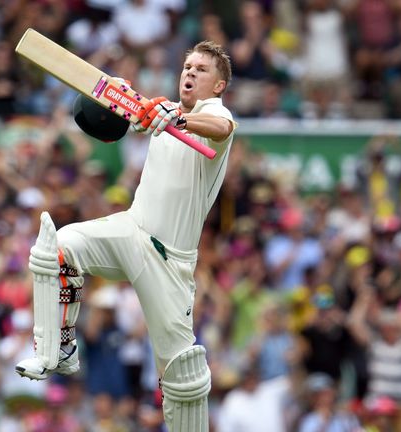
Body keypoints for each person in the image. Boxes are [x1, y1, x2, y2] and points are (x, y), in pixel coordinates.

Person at [15, 40, 236, 431]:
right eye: (188, 67)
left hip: (170, 261)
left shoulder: (213, 114)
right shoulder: (163, 111)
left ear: (218, 85)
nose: (191, 73)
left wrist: (177, 121)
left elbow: (221, 129)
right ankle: (58, 348)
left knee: (182, 378)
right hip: (131, 228)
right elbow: (124, 110)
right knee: (58, 247)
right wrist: (122, 99)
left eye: (202, 70)